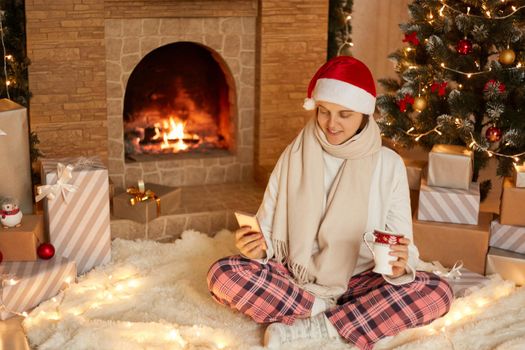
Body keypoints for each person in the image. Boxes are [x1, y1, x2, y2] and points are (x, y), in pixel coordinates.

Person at [207, 56, 453, 350]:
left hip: (361, 281)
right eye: (324, 111)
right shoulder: (296, 152)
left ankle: (318, 325)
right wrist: (258, 248)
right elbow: (268, 232)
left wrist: (400, 266)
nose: (331, 124)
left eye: (344, 114)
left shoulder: (389, 165)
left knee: (438, 292)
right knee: (223, 275)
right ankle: (339, 318)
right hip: (297, 277)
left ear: (364, 113)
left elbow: (404, 247)